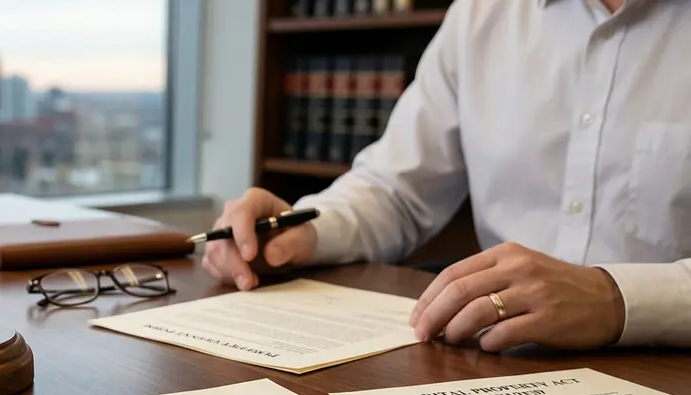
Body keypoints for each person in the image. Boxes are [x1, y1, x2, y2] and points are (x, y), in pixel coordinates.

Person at [202, 0, 690, 352]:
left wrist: (614, 298)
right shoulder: (482, 14)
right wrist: (302, 231)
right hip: (497, 366)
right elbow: (396, 189)